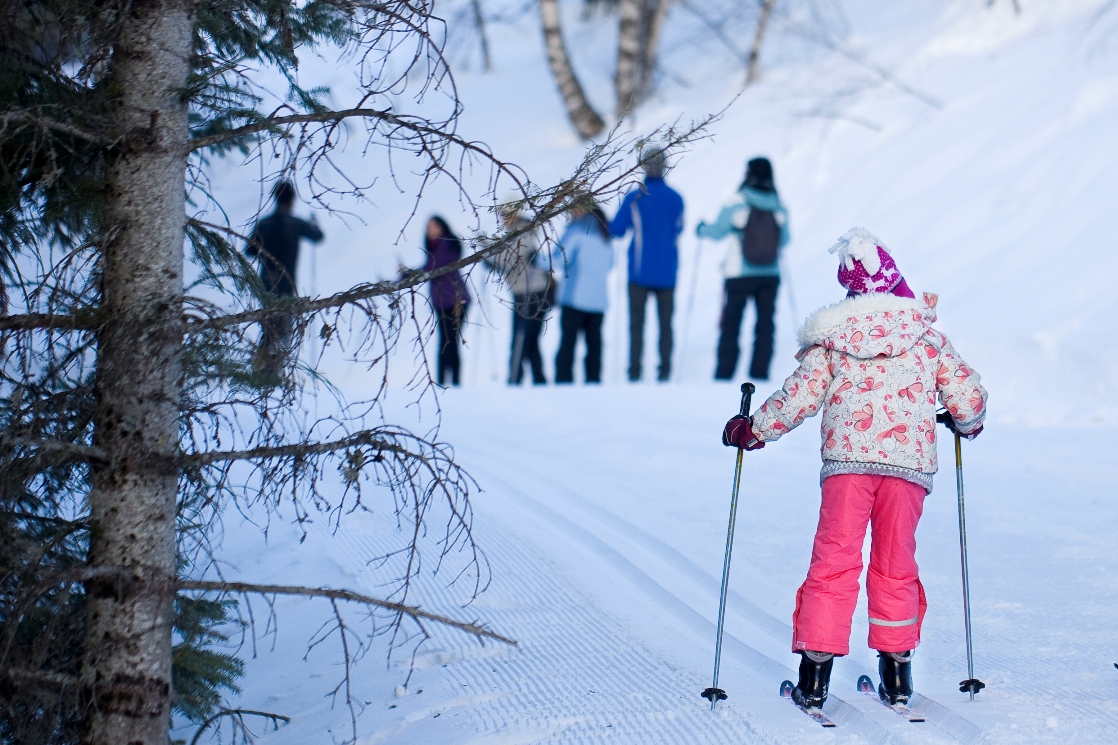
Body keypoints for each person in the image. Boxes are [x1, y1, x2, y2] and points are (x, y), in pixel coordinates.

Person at [722, 228, 987, 710]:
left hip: (847, 468)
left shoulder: (835, 339)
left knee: (834, 562)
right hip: (908, 471)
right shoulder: (927, 339)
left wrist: (754, 429)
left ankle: (815, 679)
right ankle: (897, 674)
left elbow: (798, 398)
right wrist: (967, 423)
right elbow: (968, 400)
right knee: (896, 564)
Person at [697, 157, 789, 381]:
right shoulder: (777, 204)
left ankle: (724, 374)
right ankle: (759, 373)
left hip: (738, 273)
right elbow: (784, 240)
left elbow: (718, 231)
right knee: (765, 325)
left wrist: (701, 228)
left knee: (732, 325)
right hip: (770, 273)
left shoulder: (738, 200)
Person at [609, 148, 684, 382]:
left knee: (637, 326)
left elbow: (617, 230)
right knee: (666, 326)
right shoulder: (676, 198)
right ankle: (664, 373)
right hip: (668, 272)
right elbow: (679, 228)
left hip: (639, 273)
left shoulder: (635, 197)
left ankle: (634, 372)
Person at [246, 180, 324, 373]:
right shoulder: (296, 224)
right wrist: (314, 223)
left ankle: (262, 369)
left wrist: (265, 250)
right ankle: (271, 372)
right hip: (287, 285)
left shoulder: (265, 223)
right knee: (284, 330)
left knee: (269, 327)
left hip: (266, 283)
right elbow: (318, 236)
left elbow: (250, 250)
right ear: (292, 200)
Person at [485, 203, 553, 385]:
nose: (504, 219)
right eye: (502, 215)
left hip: (531, 294)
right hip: (527, 293)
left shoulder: (523, 232)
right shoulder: (515, 233)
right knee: (529, 340)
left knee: (521, 339)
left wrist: (485, 251)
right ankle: (539, 380)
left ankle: (515, 379)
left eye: (507, 214)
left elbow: (507, 259)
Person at [554, 204, 614, 383]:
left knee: (568, 345)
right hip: (598, 301)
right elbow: (610, 265)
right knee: (594, 346)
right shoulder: (605, 235)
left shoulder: (576, 233)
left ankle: (563, 384)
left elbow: (556, 260)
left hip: (575, 299)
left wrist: (532, 258)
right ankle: (593, 384)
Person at [422, 216, 471, 387]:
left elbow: (434, 268)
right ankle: (446, 381)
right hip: (442, 302)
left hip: (455, 301)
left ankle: (451, 382)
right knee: (447, 341)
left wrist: (409, 274)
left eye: (434, 226)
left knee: (449, 341)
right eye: (428, 227)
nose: (431, 230)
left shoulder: (446, 244)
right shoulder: (435, 247)